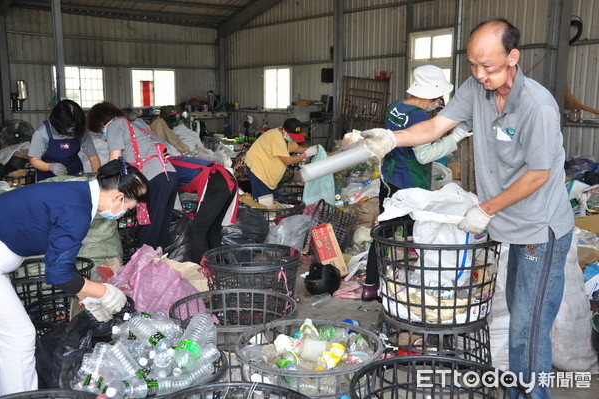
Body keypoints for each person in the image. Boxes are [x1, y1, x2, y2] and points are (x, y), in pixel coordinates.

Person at [361, 19, 574, 398]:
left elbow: (539, 174)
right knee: (519, 320)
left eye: (487, 66)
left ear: (513, 57)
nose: (479, 75)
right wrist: (393, 137)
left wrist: (486, 209)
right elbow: (435, 126)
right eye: (473, 65)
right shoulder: (477, 89)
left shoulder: (537, 106)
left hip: (539, 232)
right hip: (507, 222)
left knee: (529, 327)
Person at [0, 158, 148, 395]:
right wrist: (105, 292)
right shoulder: (76, 211)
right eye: (131, 204)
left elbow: (57, 260)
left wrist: (85, 293)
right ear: (119, 197)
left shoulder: (76, 192)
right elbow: (58, 274)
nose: (129, 210)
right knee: (19, 336)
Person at [361, 65, 472, 300]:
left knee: (383, 235)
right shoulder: (419, 115)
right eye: (439, 97)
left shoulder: (396, 107)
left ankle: (370, 285)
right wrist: (456, 137)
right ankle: (425, 287)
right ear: (433, 93)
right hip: (409, 184)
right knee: (423, 235)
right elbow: (424, 155)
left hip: (389, 180)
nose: (439, 101)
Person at [88, 102, 178, 250]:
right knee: (160, 230)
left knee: (149, 232)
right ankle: (158, 267)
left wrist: (98, 179)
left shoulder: (114, 125)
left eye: (99, 129)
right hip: (169, 175)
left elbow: (115, 161)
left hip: (153, 178)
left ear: (100, 122)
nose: (102, 133)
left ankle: (142, 269)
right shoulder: (135, 125)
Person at [157, 143, 239, 262]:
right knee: (213, 229)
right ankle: (219, 265)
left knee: (197, 228)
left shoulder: (165, 167)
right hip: (226, 178)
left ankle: (201, 267)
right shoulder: (175, 161)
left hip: (215, 182)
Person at [244, 118, 318, 200]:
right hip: (258, 169)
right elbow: (287, 161)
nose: (293, 138)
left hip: (268, 172)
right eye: (293, 136)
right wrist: (306, 154)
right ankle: (260, 212)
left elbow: (297, 148)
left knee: (275, 199)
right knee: (264, 202)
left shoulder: (286, 136)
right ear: (284, 130)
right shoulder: (276, 138)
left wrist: (313, 148)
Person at [29, 99, 100, 181]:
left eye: (74, 125)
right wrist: (50, 167)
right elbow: (34, 160)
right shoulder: (42, 133)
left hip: (75, 176)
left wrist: (97, 178)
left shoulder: (80, 130)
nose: (72, 128)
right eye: (69, 125)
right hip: (47, 179)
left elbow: (94, 158)